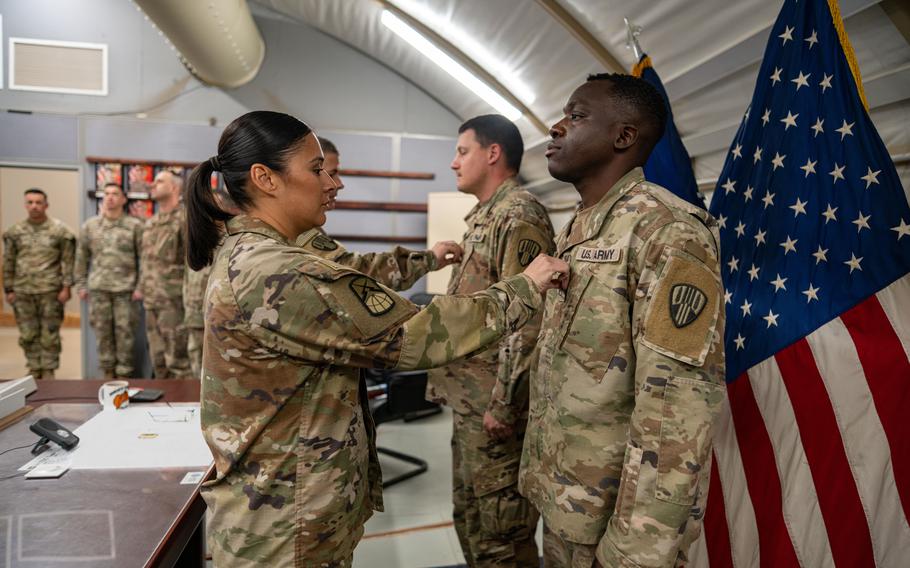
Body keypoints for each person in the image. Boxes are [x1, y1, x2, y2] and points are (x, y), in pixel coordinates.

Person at [185, 110, 569, 567]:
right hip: (285, 523)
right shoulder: (276, 270)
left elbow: (354, 274)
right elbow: (414, 335)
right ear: (266, 179)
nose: (334, 182)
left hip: (285, 508)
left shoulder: (262, 253)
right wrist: (526, 286)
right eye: (316, 169)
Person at [518, 74, 726, 567]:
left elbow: (675, 409)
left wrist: (636, 549)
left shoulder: (667, 231)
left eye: (576, 115)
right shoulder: (582, 225)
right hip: (568, 503)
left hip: (617, 530)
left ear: (624, 136)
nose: (555, 126)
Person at [425, 114, 555, 567]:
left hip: (495, 408)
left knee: (503, 537)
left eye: (463, 151)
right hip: (472, 405)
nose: (454, 162)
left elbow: (530, 316)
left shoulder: (518, 214)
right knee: (473, 522)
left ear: (492, 153)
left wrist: (505, 400)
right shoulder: (486, 215)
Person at [295, 136, 461, 290]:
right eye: (330, 174)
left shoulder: (300, 227)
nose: (338, 184)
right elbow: (353, 272)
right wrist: (428, 259)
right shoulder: (296, 230)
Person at [2, 188, 76, 379]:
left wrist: (67, 287)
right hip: (22, 291)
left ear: (46, 205)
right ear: (25, 205)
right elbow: (8, 261)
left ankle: (49, 370)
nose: (34, 206)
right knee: (28, 333)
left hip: (50, 291)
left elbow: (68, 261)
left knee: (50, 333)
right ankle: (34, 369)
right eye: (30, 202)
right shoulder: (14, 232)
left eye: (38, 202)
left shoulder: (60, 231)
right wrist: (8, 288)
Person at [75, 183, 144, 378]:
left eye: (115, 193)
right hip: (98, 290)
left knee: (125, 337)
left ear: (123, 199)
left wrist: (140, 286)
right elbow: (81, 258)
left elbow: (145, 259)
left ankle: (124, 379)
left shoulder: (135, 226)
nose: (110, 197)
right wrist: (81, 284)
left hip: (126, 291)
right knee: (102, 336)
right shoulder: (90, 226)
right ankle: (107, 377)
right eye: (106, 194)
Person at [138, 169, 190, 378]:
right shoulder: (151, 222)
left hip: (174, 302)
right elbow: (146, 260)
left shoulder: (186, 219)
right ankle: (162, 408)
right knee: (158, 360)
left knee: (178, 362)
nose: (153, 185)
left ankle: (184, 408)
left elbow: (195, 263)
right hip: (151, 300)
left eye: (159, 181)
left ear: (174, 187)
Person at [183, 188, 238, 380]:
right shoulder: (201, 240)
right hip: (195, 316)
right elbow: (188, 279)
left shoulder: (234, 242)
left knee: (217, 373)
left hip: (220, 321)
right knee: (194, 365)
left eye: (212, 205)